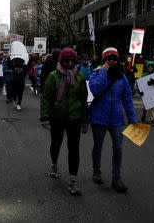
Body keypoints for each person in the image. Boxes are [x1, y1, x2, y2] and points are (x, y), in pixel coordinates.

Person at [40, 48, 88, 196]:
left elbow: (83, 100)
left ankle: (73, 178)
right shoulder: (53, 77)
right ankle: (54, 163)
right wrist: (45, 117)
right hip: (57, 118)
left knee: (74, 148)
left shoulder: (79, 78)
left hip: (74, 118)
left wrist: (85, 120)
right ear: (61, 61)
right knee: (56, 143)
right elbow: (46, 98)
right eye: (66, 60)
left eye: (72, 61)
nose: (69, 63)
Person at [89, 47, 137, 193]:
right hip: (98, 118)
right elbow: (95, 89)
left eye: (114, 59)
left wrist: (132, 118)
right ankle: (96, 170)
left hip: (116, 119)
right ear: (103, 60)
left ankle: (116, 177)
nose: (111, 61)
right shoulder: (97, 73)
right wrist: (103, 71)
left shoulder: (122, 77)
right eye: (108, 58)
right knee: (98, 145)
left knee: (118, 148)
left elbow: (127, 99)